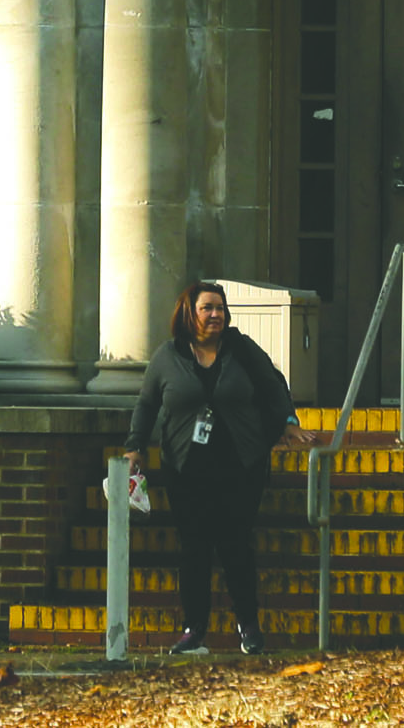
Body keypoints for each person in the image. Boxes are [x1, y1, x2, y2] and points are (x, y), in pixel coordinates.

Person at [123, 281, 315, 656]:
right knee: (193, 548)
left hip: (240, 466)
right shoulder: (168, 356)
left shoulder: (241, 349)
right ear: (188, 313)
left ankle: (249, 628)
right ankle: (194, 630)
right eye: (207, 308)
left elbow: (273, 386)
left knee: (236, 546)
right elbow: (147, 404)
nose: (216, 315)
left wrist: (289, 421)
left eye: (221, 309)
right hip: (185, 467)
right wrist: (135, 447)